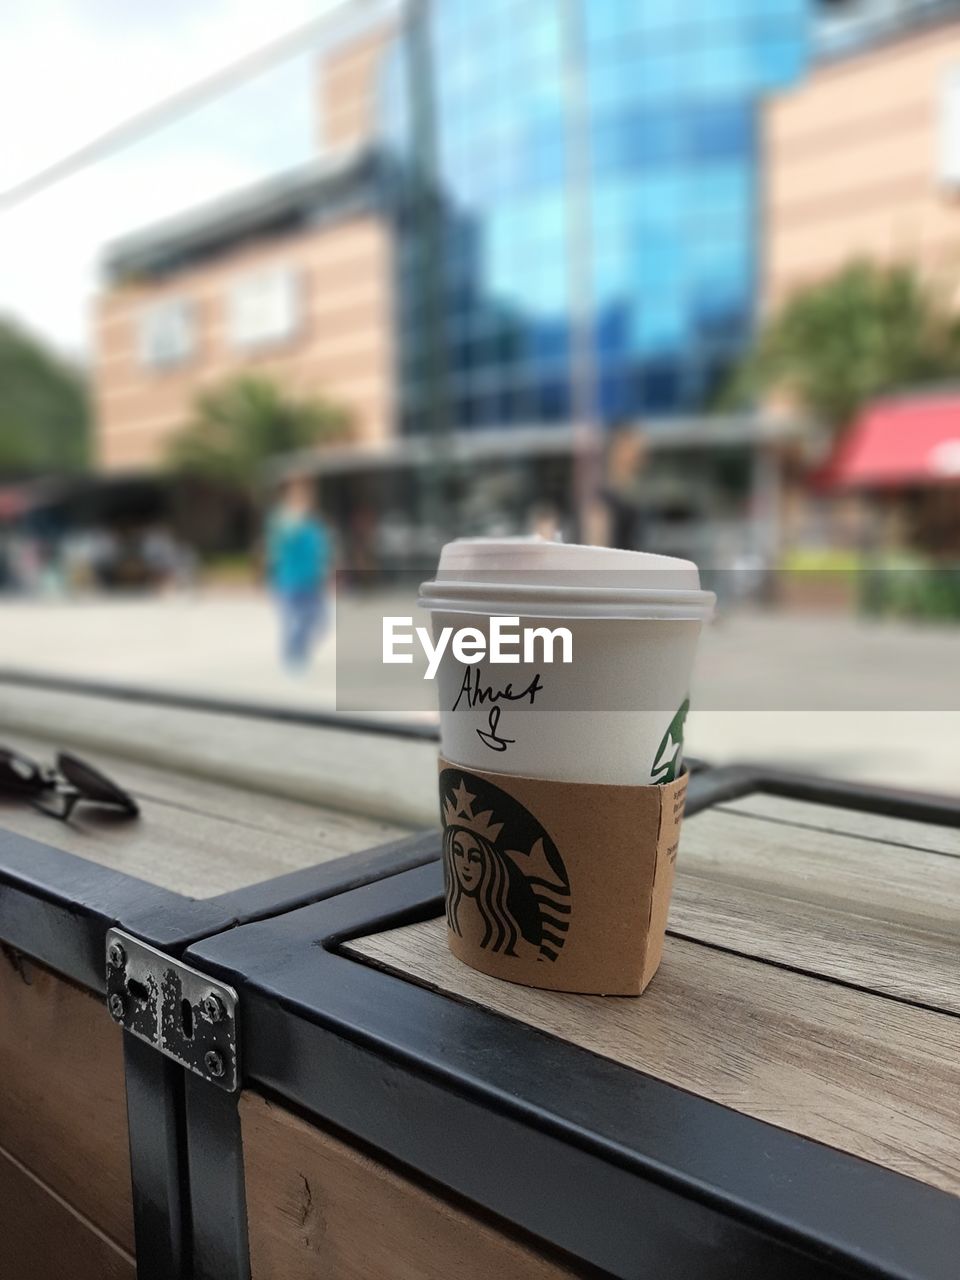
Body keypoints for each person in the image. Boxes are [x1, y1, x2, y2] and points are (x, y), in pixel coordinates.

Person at [266, 478, 332, 670]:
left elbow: (322, 548)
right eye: (299, 494)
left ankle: (297, 650)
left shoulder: (313, 522)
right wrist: (296, 518)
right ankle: (293, 656)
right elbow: (279, 543)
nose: (304, 498)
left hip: (311, 580)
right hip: (289, 580)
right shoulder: (282, 519)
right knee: (291, 620)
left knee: (320, 620)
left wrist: (326, 570)